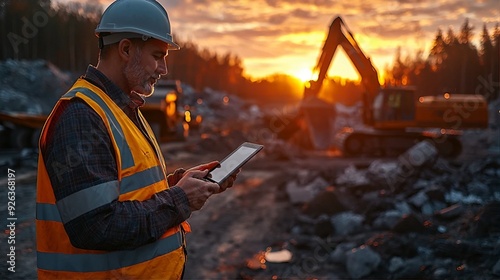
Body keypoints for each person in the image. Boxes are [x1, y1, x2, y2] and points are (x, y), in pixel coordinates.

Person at [36, 0, 237, 278]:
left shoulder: (124, 108)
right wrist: (179, 199)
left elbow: (127, 192)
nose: (163, 69)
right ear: (126, 49)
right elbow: (96, 227)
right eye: (157, 55)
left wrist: (178, 184)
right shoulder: (82, 116)